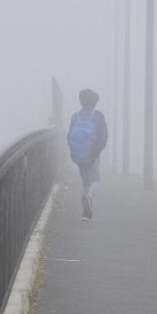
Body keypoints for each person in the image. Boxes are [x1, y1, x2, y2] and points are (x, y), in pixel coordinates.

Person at [66, 88, 108, 221]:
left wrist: (74, 152)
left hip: (79, 156)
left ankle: (86, 214)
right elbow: (103, 137)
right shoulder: (98, 116)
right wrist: (95, 153)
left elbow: (69, 136)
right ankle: (89, 197)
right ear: (95, 102)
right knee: (96, 180)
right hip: (92, 155)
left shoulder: (75, 116)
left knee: (85, 182)